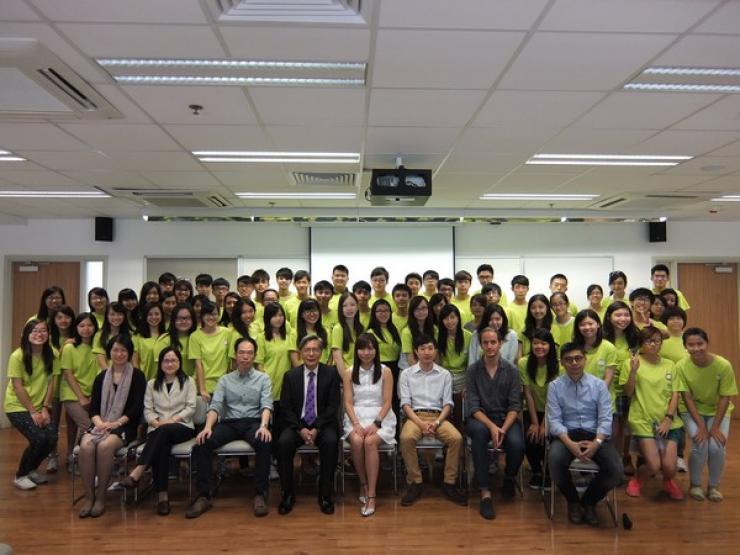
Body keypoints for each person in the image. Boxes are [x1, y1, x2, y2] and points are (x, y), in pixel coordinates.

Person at [185, 337, 273, 519]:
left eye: (249, 353)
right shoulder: (225, 380)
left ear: (255, 356)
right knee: (203, 442)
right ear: (235, 355)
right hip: (229, 423)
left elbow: (266, 405)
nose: (245, 357)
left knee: (264, 441)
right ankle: (204, 494)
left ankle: (260, 494)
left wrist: (264, 426)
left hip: (253, 422)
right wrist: (208, 427)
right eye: (242, 352)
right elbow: (215, 406)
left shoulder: (263, 378)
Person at [546, 342, 623, 527]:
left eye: (578, 358)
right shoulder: (555, 386)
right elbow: (554, 421)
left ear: (585, 360)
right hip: (566, 435)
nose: (574, 363)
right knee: (555, 461)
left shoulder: (599, 386)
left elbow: (605, 419)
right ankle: (572, 500)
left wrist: (596, 442)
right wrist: (569, 444)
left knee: (616, 471)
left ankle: (589, 501)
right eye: (569, 359)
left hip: (594, 435)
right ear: (562, 362)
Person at [120, 347, 196, 515]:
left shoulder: (188, 381)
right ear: (160, 363)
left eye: (173, 360)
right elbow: (147, 409)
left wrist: (169, 421)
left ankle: (138, 471)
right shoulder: (152, 384)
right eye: (166, 361)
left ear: (179, 362)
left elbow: (190, 408)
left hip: (182, 427)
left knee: (162, 433)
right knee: (162, 445)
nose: (170, 364)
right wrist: (155, 422)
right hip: (157, 428)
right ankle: (163, 498)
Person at [78, 334, 146, 518]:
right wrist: (101, 424)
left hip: (125, 426)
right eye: (115, 350)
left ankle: (101, 498)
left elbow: (136, 409)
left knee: (105, 446)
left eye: (123, 350)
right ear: (110, 352)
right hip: (101, 424)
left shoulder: (138, 376)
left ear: (129, 353)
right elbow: (93, 408)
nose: (119, 354)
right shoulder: (101, 377)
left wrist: (115, 423)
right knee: (86, 446)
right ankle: (89, 498)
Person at [398, 335, 467, 508]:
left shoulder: (444, 374)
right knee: (406, 438)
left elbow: (447, 404)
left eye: (430, 348)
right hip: (415, 417)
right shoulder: (407, 374)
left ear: (436, 351)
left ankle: (449, 483)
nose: (426, 352)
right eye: (422, 348)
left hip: (439, 417)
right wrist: (420, 424)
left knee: (456, 438)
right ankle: (416, 482)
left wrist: (436, 423)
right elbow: (405, 404)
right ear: (416, 351)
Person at [277, 335, 341, 515]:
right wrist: (301, 428)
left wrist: (316, 428)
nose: (311, 353)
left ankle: (325, 495)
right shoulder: (291, 376)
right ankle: (287, 494)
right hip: (298, 424)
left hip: (324, 423)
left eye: (315, 350)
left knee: (330, 442)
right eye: (307, 350)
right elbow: (285, 407)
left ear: (321, 352)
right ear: (300, 353)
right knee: (283, 443)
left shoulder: (331, 373)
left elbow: (333, 406)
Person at [466, 327, 524, 520]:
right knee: (480, 435)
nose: (490, 346)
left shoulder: (512, 370)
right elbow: (473, 406)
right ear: (481, 344)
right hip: (480, 419)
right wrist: (492, 427)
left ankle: (509, 477)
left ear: (501, 344)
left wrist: (503, 429)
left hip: (506, 419)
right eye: (485, 342)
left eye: (493, 342)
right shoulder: (473, 370)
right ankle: (485, 492)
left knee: (516, 444)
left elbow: (515, 405)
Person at [621, 326, 683, 500]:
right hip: (642, 419)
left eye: (657, 340)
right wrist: (633, 370)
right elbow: (628, 392)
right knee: (654, 466)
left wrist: (669, 418)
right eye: (648, 340)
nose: (653, 344)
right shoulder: (631, 363)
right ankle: (637, 480)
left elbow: (675, 393)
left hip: (668, 420)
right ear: (641, 343)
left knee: (670, 467)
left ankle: (668, 481)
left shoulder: (670, 364)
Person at [675, 328, 737, 502]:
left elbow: (726, 396)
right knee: (699, 443)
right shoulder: (681, 366)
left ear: (707, 343)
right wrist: (701, 426)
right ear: (685, 346)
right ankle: (695, 484)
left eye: (700, 344)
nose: (696, 348)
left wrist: (715, 427)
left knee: (717, 447)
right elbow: (686, 397)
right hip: (692, 410)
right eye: (691, 345)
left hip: (718, 410)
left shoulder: (723, 365)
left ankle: (714, 486)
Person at [342, 333, 397, 516]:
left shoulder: (386, 371)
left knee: (369, 442)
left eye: (370, 348)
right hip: (356, 415)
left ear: (376, 350)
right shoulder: (349, 372)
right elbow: (348, 402)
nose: (366, 352)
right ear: (356, 351)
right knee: (357, 441)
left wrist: (377, 423)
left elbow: (388, 401)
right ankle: (363, 484)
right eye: (362, 348)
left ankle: (372, 495)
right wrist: (356, 423)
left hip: (381, 415)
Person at [4, 320, 57, 490]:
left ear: (48, 334)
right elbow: (18, 386)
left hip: (40, 406)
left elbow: (51, 382)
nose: (39, 334)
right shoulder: (17, 356)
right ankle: (21, 475)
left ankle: (32, 470)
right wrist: (33, 412)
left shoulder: (52, 354)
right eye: (34, 331)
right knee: (39, 438)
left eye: (43, 331)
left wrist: (45, 408)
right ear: (27, 335)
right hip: (17, 406)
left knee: (52, 437)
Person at [518, 328, 559, 490]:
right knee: (530, 437)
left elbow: (553, 399)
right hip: (532, 408)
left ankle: (549, 473)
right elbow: (527, 393)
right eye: (536, 343)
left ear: (550, 346)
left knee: (548, 437)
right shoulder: (524, 363)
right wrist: (535, 423)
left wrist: (544, 425)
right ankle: (536, 471)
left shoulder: (558, 366)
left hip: (553, 410)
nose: (539, 346)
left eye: (543, 343)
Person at [602, 301, 640, 476]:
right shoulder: (601, 336)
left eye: (626, 315)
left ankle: (624, 457)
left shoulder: (634, 337)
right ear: (609, 317)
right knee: (613, 429)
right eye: (618, 315)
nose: (623, 319)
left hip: (628, 386)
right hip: (607, 388)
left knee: (625, 428)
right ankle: (612, 461)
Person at [59, 312, 99, 467]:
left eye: (90, 325)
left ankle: (79, 459)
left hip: (92, 395)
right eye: (82, 325)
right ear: (76, 328)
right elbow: (68, 374)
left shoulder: (98, 348)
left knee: (90, 428)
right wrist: (81, 397)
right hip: (72, 394)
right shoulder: (70, 347)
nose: (86, 329)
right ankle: (75, 459)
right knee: (88, 426)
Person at [189, 300, 231, 402]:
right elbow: (198, 364)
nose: (211, 317)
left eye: (214, 314)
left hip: (224, 384)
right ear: (202, 316)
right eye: (207, 314)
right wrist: (202, 389)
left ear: (219, 315)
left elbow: (230, 360)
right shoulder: (195, 336)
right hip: (204, 385)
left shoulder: (227, 333)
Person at [331, 292, 364, 374]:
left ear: (357, 307)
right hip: (343, 373)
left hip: (358, 371)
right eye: (345, 306)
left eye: (352, 305)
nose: (349, 308)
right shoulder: (338, 328)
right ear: (340, 309)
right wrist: (345, 379)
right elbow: (337, 358)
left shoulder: (361, 328)